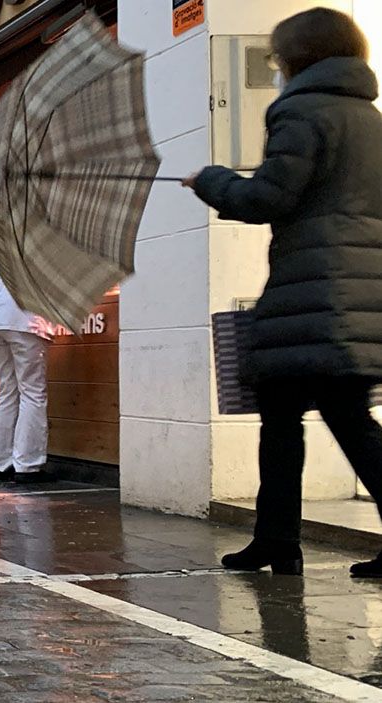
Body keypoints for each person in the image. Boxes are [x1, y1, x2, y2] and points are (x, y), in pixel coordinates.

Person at [184, 8, 382, 577]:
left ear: (296, 58)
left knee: (288, 422)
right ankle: (274, 542)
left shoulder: (299, 111)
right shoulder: (367, 117)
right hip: (352, 297)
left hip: (313, 295)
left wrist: (213, 181)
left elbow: (268, 199)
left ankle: (277, 543)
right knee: (342, 420)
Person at [0, 242, 55, 485]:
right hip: (26, 319)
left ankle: (1, 463)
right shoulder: (43, 236)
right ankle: (28, 465)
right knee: (32, 391)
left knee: (7, 390)